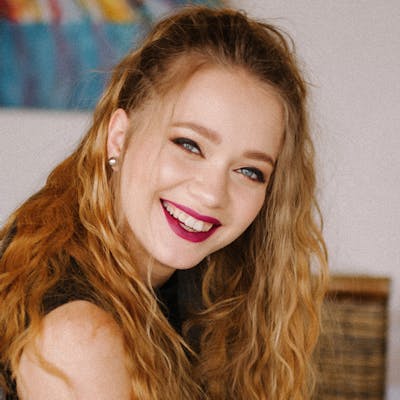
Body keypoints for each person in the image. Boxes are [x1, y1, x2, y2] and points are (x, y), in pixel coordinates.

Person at [0, 5, 328, 400]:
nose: (212, 193)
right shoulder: (79, 337)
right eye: (189, 145)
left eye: (249, 171)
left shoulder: (199, 289)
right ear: (119, 137)